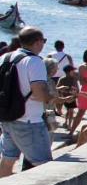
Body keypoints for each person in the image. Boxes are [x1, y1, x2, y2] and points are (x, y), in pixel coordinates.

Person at [0, 26, 54, 176]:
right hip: (29, 121)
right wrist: (51, 97)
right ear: (37, 42)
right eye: (43, 41)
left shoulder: (5, 57)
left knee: (7, 160)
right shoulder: (35, 61)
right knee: (43, 164)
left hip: (7, 117)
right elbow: (39, 93)